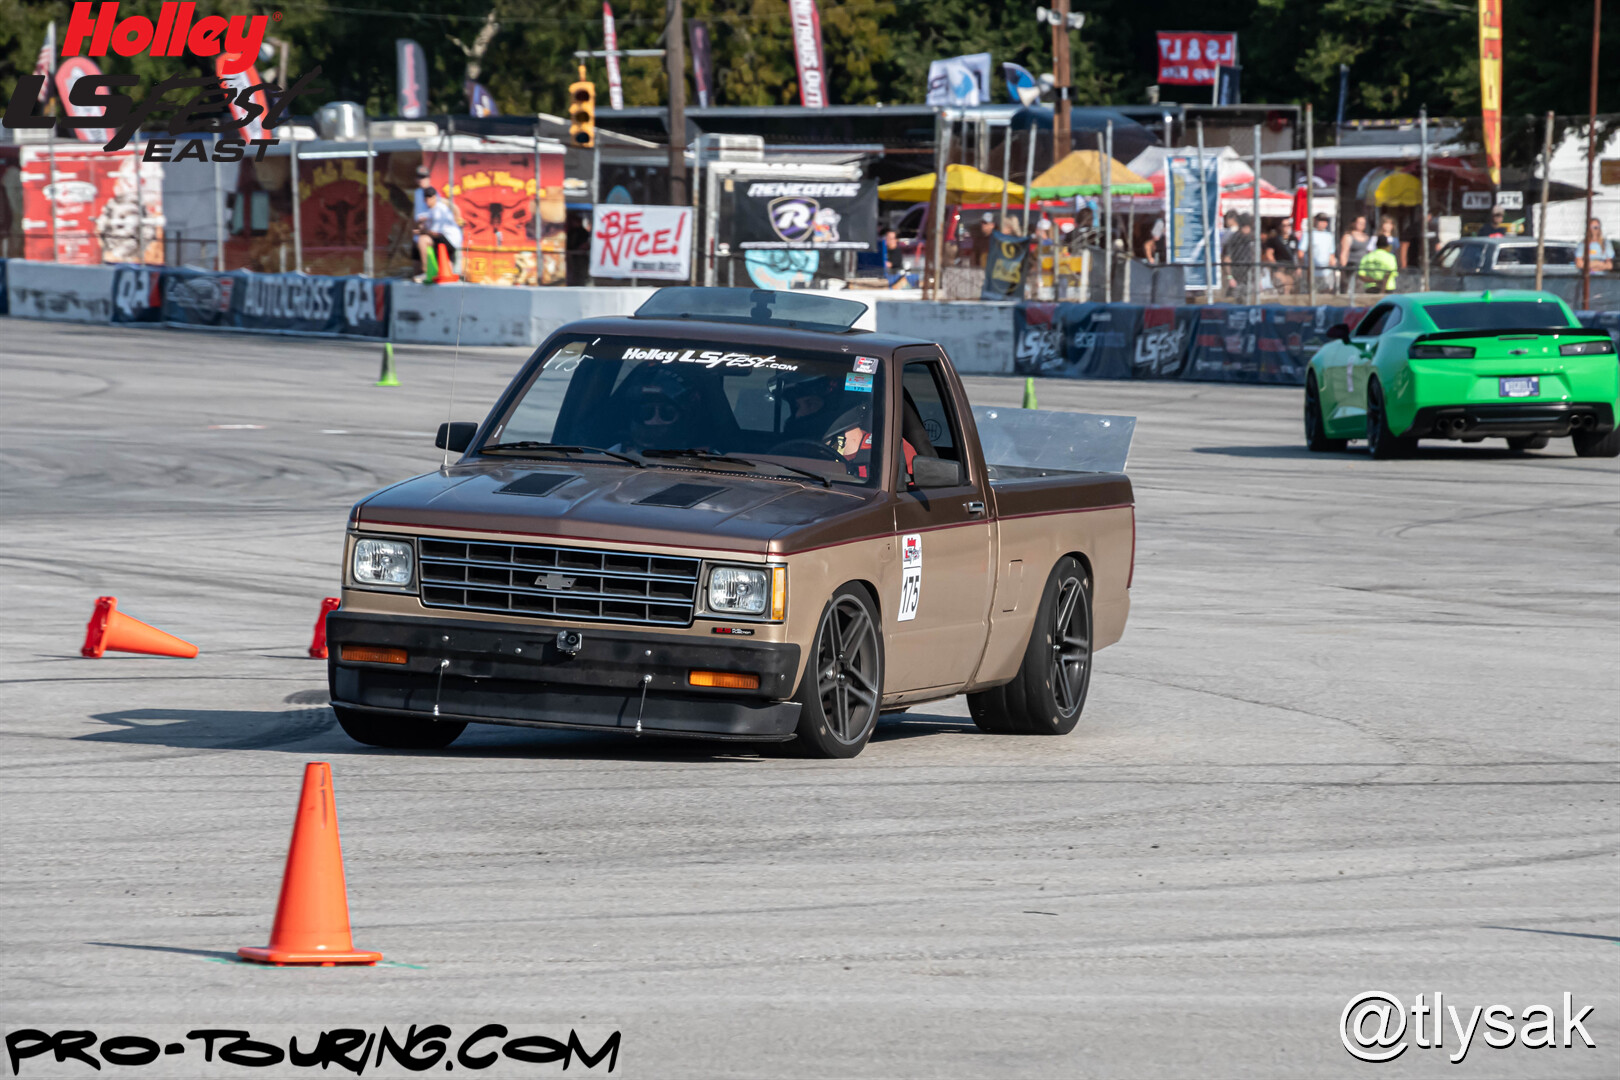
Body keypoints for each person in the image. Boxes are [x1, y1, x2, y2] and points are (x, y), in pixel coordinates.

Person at [414, 187, 465, 282]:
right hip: (446, 240)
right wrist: (421, 225)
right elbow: (424, 223)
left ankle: (426, 271)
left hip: (451, 241)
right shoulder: (432, 210)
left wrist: (422, 231)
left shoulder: (439, 210)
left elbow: (435, 233)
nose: (428, 201)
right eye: (426, 199)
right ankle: (429, 271)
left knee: (422, 239)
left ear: (435, 198)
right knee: (418, 241)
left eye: (430, 198)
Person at [1298, 213, 1338, 290]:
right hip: (1312, 272)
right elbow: (1301, 253)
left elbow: (1331, 255)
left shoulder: (1329, 236)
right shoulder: (1308, 234)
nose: (1323, 223)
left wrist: (1334, 270)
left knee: (1327, 292)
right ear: (1315, 221)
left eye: (1325, 221)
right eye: (1321, 220)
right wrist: (1302, 268)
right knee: (1311, 292)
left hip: (1326, 272)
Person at [1222, 213, 1257, 299]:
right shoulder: (1233, 239)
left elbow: (1255, 258)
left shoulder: (1252, 238)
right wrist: (1230, 277)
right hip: (1236, 278)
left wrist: (1258, 279)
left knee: (1250, 301)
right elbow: (1227, 259)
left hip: (1249, 278)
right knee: (1234, 300)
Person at [1337, 214, 1370, 293]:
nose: (1362, 225)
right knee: (1350, 289)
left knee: (1362, 289)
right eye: (1360, 223)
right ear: (1354, 223)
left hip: (1363, 268)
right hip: (1351, 267)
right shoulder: (1348, 236)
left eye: (1363, 223)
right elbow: (1344, 252)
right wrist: (1343, 269)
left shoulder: (1367, 237)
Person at [1262, 222, 1296, 294]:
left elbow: (1296, 254)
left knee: (1290, 285)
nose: (1286, 227)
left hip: (1291, 268)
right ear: (1280, 227)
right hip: (1279, 267)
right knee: (1282, 284)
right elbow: (1269, 254)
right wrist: (1276, 265)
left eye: (1288, 225)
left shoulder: (1293, 239)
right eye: (1284, 225)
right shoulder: (1274, 240)